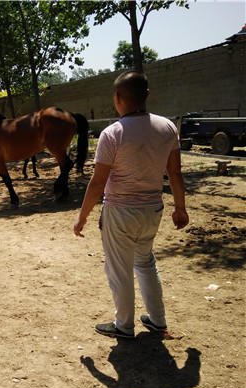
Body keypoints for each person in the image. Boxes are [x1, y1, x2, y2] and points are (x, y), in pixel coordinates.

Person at [73, 70, 189, 339]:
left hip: (120, 212)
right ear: (146, 95)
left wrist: (82, 216)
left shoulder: (112, 134)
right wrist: (180, 207)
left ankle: (123, 325)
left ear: (117, 98)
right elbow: (175, 174)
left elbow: (98, 182)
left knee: (119, 269)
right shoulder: (168, 127)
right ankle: (158, 321)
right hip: (152, 211)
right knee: (145, 262)